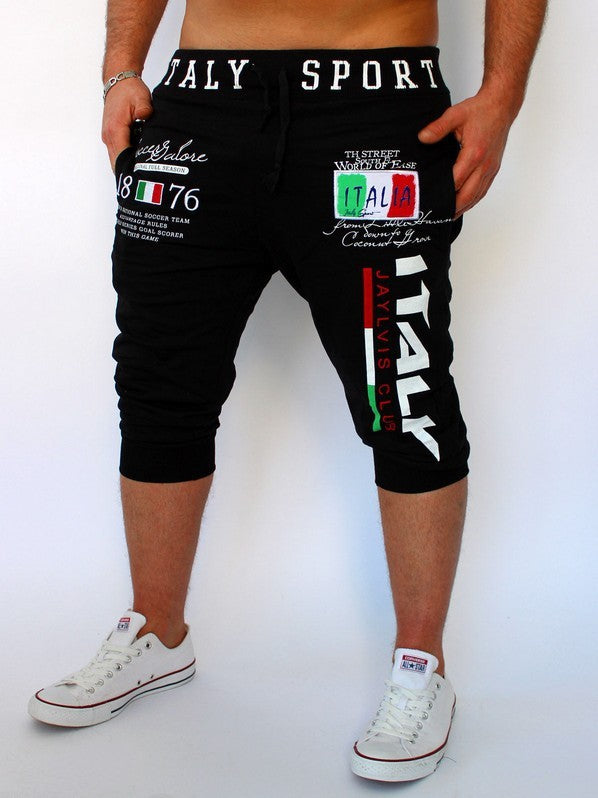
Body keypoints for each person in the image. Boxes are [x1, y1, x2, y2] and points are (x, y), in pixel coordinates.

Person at [28, 0, 547, 783]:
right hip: (199, 108)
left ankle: (421, 664)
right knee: (160, 382)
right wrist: (121, 70)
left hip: (373, 107)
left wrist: (502, 95)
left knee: (401, 391)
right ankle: (159, 632)